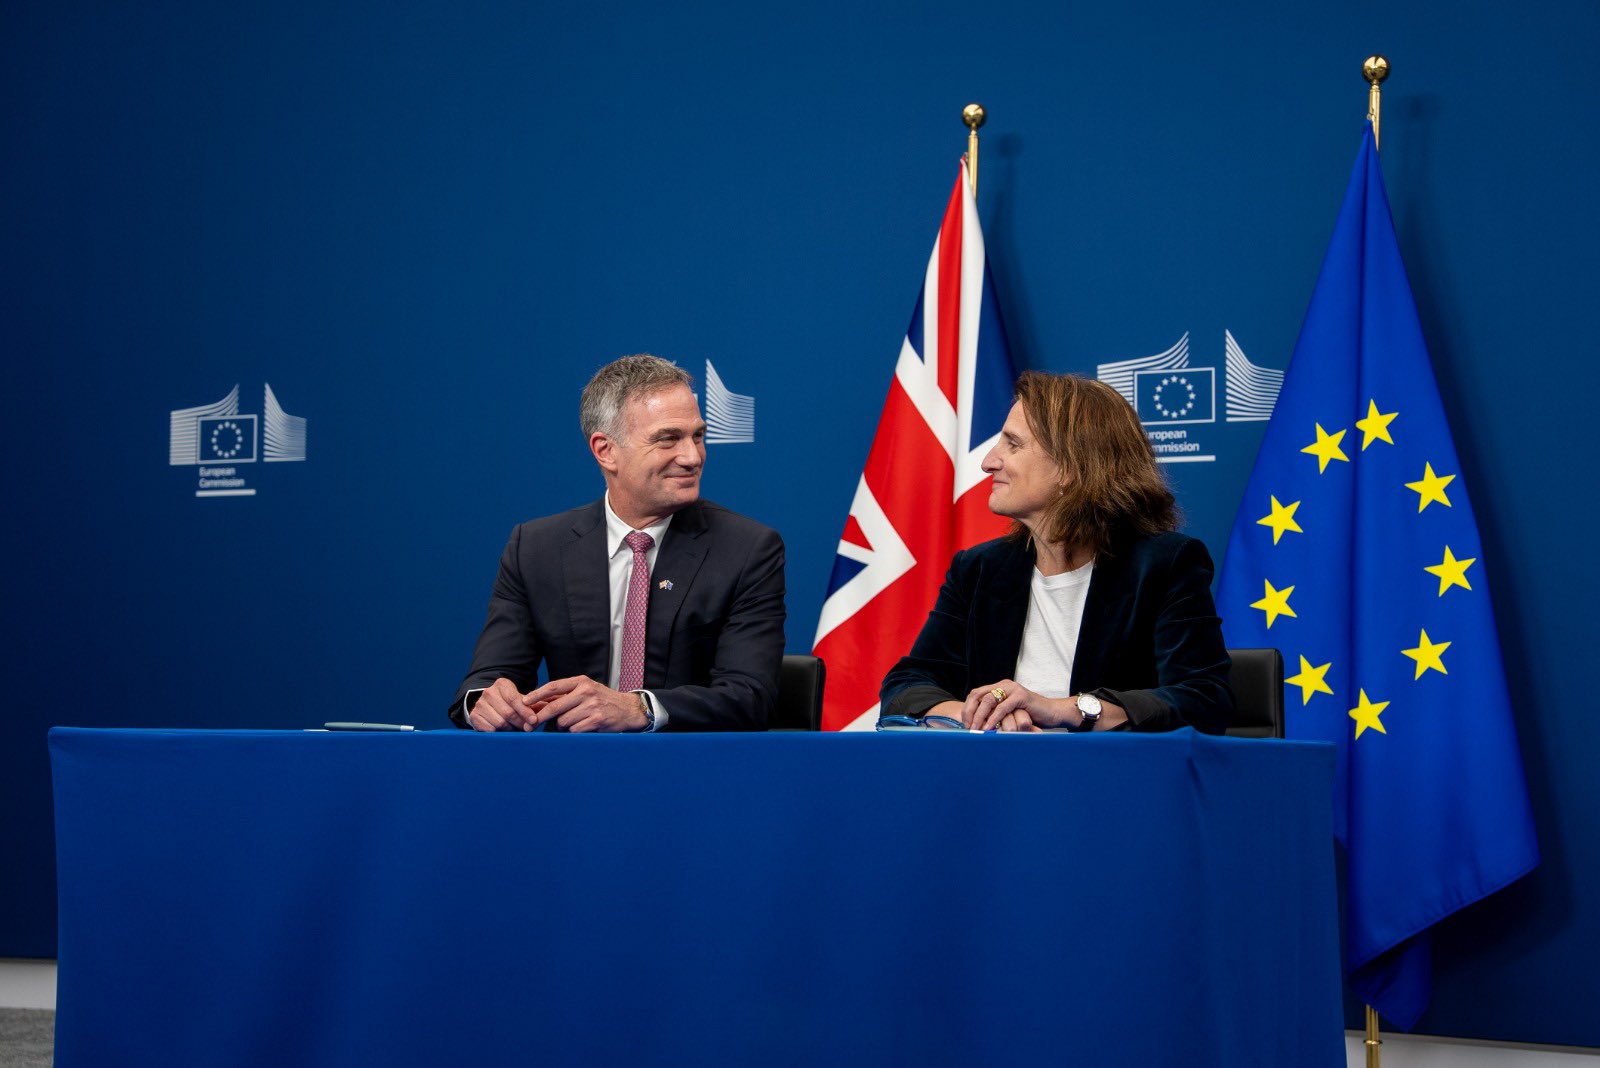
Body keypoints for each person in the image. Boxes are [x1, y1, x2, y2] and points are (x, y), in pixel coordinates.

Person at [880, 371, 1233, 733]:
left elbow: (1203, 700)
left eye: (1012, 445)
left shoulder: (1163, 565)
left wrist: (1064, 709)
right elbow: (906, 685)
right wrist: (983, 716)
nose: (988, 461)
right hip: (997, 777)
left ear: (1071, 467)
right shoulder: (979, 569)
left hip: (1113, 780)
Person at [449, 354, 786, 732]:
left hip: (691, 771)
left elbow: (750, 696)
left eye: (698, 435)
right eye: (668, 439)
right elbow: (490, 677)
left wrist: (639, 709)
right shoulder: (535, 548)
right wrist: (485, 701)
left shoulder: (747, 549)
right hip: (569, 773)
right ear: (605, 450)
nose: (692, 456)